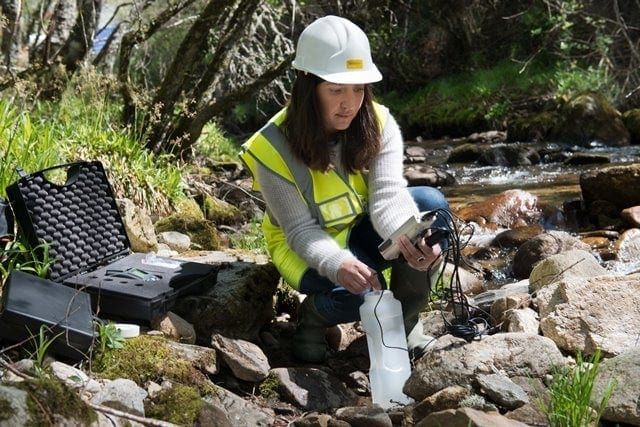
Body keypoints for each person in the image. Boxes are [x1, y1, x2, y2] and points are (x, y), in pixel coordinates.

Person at [240, 15, 450, 363]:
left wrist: (409, 238)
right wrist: (338, 264)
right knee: (357, 293)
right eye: (336, 89)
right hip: (302, 247)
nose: (349, 103)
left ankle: (404, 324)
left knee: (430, 206)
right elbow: (298, 230)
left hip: (357, 228)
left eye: (358, 88)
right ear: (309, 88)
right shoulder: (270, 148)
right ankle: (313, 320)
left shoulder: (379, 122)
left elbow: (386, 197)